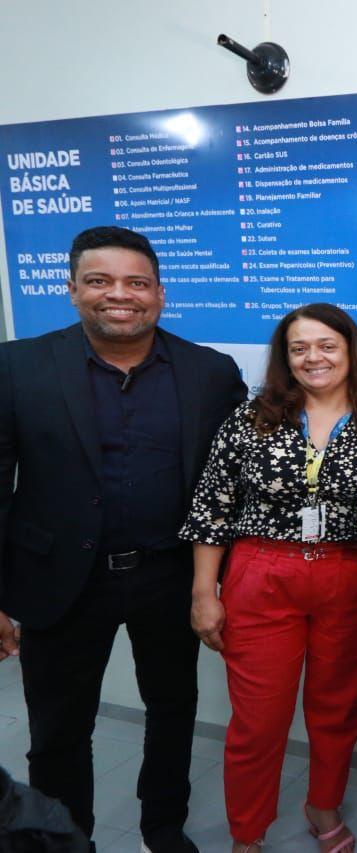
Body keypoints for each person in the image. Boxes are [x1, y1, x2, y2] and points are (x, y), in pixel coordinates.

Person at [0, 226, 247, 851]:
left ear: (160, 294)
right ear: (73, 289)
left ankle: (163, 828)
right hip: (57, 582)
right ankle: (62, 836)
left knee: (173, 713)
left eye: (136, 283)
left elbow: (230, 489)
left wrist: (218, 585)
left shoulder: (210, 373)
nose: (120, 295)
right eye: (100, 281)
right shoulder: (17, 366)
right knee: (58, 729)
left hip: (169, 578)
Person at [179, 304, 357, 853]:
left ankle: (322, 807)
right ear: (285, 358)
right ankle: (247, 834)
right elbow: (212, 507)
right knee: (258, 722)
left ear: (350, 352)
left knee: (337, 709)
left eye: (326, 345)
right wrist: (205, 592)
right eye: (299, 348)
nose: (313, 358)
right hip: (261, 575)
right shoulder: (251, 419)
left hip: (348, 576)